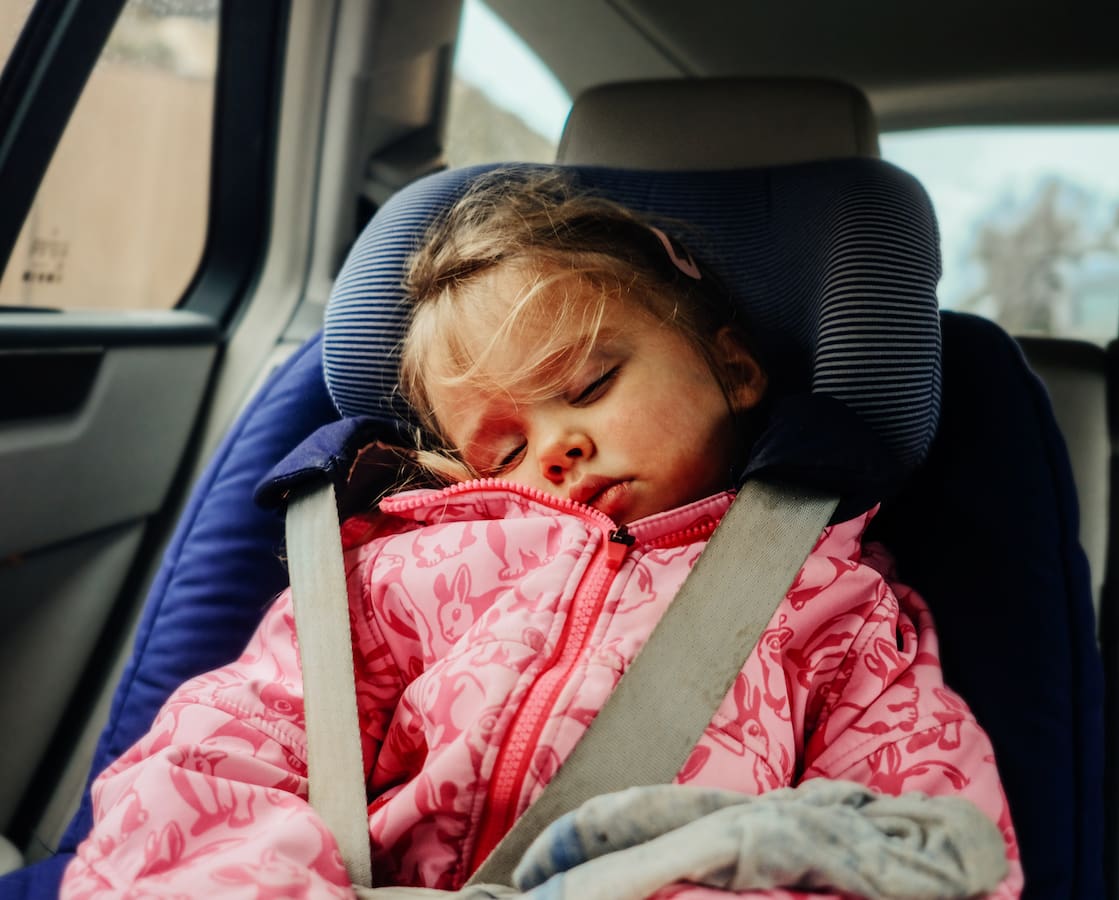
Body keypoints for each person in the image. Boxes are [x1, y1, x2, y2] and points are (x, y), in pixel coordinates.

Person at [62, 171, 1023, 898]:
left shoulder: (833, 604)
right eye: (506, 446)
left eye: (590, 387)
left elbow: (922, 832)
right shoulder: (398, 572)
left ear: (735, 369)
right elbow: (222, 759)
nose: (558, 448)